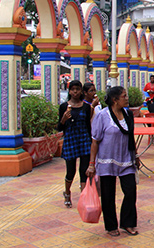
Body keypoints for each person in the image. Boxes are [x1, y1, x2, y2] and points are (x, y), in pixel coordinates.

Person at [86, 86, 140, 236]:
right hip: (106, 160)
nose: (127, 98)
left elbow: (130, 136)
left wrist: (135, 155)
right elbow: (95, 141)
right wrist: (91, 164)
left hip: (126, 159)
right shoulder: (102, 116)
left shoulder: (128, 114)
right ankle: (111, 226)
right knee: (108, 194)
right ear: (115, 100)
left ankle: (128, 223)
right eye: (124, 96)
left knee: (130, 191)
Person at [58, 80, 93, 208]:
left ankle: (83, 197)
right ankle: (67, 192)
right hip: (71, 140)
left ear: (81, 91)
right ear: (69, 91)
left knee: (84, 170)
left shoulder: (86, 107)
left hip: (84, 140)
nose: (75, 92)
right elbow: (59, 128)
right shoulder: (64, 107)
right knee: (70, 171)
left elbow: (88, 126)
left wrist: (92, 142)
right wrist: (63, 119)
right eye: (73, 89)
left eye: (77, 89)